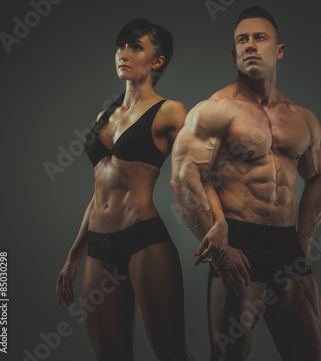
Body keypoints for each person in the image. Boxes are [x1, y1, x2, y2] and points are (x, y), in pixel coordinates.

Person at [170, 6, 321, 361]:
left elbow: (316, 177)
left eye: (260, 38)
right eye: (243, 39)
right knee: (229, 355)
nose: (251, 45)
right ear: (234, 52)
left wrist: (303, 238)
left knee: (308, 353)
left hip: (287, 244)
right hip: (238, 242)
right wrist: (220, 250)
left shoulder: (302, 118)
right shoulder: (214, 110)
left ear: (279, 50)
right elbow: (184, 177)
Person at [56, 18, 194, 361]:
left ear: (158, 61)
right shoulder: (107, 114)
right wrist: (74, 257)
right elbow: (99, 195)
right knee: (110, 355)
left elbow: (197, 174)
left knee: (171, 353)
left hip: (144, 240)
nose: (124, 54)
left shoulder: (171, 111)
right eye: (121, 46)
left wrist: (217, 227)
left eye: (136, 47)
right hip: (99, 247)